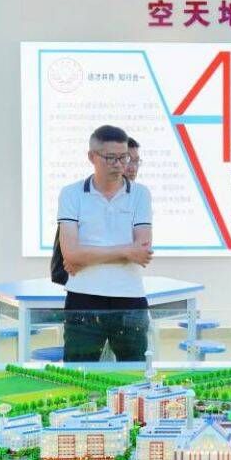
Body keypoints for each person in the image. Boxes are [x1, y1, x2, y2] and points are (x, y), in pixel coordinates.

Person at [56, 125, 153, 361]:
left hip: (129, 298)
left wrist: (86, 257)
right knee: (78, 374)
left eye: (124, 157)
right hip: (83, 298)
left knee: (135, 374)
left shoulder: (140, 194)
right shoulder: (71, 194)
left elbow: (141, 251)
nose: (119, 165)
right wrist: (126, 251)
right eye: (111, 158)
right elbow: (71, 254)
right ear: (92, 157)